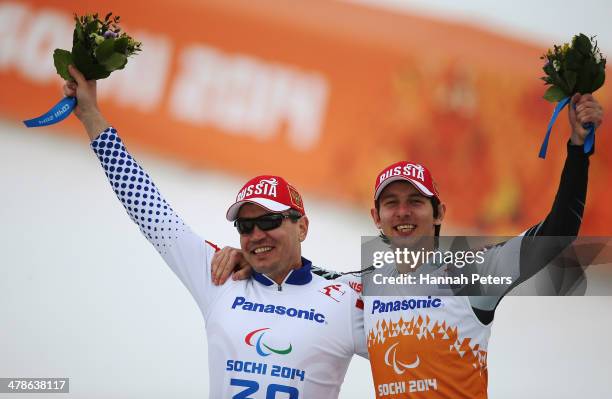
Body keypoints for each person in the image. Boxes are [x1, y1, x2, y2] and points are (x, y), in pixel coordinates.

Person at [212, 93, 603, 398]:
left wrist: (577, 149)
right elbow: (301, 278)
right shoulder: (362, 287)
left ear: (438, 213)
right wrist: (246, 257)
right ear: (375, 217)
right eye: (390, 203)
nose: (402, 212)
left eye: (415, 201)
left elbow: (559, 232)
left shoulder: (473, 270)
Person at [62, 64, 366, 399]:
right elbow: (151, 212)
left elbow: (425, 333)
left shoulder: (347, 299)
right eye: (246, 226)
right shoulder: (219, 277)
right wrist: (91, 116)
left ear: (302, 227)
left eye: (268, 222)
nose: (257, 234)